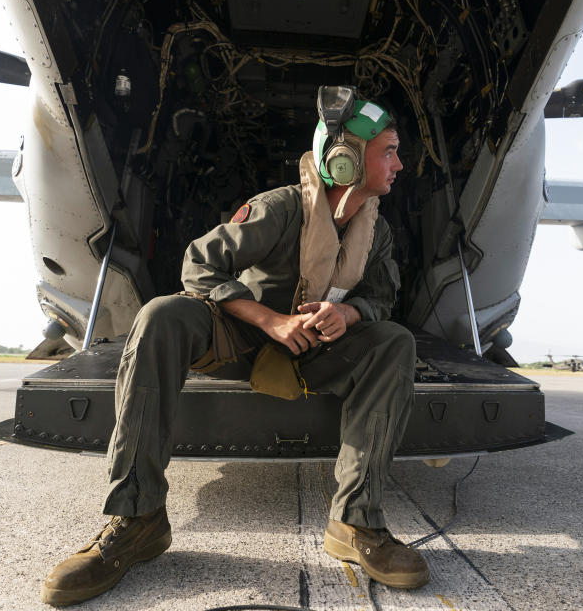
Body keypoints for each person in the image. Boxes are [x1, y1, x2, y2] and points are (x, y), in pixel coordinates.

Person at [40, 90, 429, 606]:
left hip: (314, 347)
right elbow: (198, 266)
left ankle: (356, 523)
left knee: (395, 342)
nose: (400, 164)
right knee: (160, 315)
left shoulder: (374, 233)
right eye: (390, 151)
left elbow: (382, 295)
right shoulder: (281, 208)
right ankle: (137, 517)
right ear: (347, 159)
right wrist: (271, 320)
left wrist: (349, 313)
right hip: (244, 334)